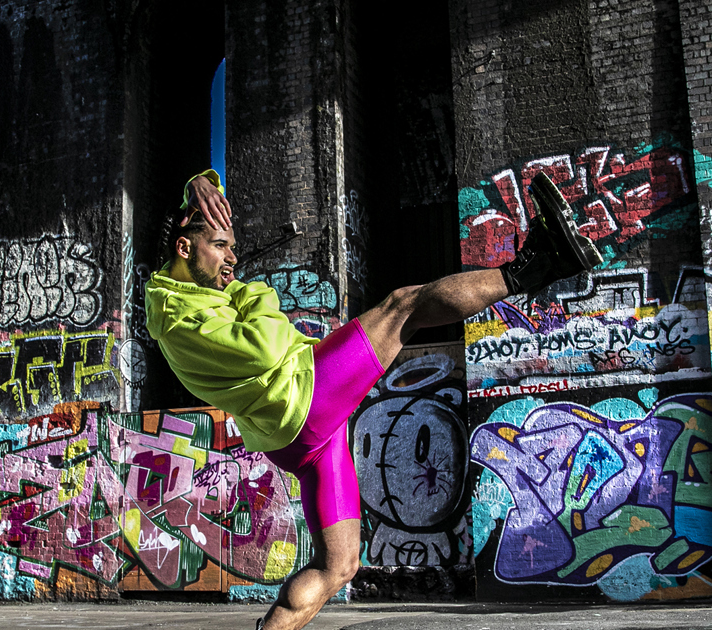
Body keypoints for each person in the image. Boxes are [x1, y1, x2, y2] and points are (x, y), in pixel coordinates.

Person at [145, 169, 602, 630]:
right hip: (301, 402)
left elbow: (209, 231)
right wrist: (254, 291)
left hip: (296, 438)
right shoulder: (178, 316)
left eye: (232, 247)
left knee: (338, 567)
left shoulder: (191, 292)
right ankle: (538, 266)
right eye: (221, 246)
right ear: (185, 248)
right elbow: (263, 345)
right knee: (405, 305)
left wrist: (195, 184)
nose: (232, 257)